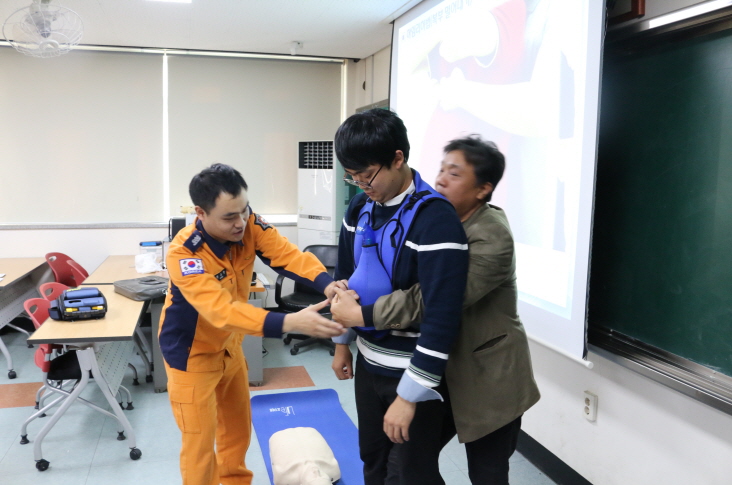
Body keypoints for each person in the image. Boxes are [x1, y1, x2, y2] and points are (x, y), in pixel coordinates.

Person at [331, 135, 541, 484]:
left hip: (483, 377)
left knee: (486, 472)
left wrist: (363, 316)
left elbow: (432, 299)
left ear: (483, 189)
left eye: (455, 174)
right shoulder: (424, 216)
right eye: (442, 169)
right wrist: (344, 337)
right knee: (404, 465)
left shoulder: (491, 236)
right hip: (436, 369)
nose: (441, 179)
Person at [159, 163, 346, 485]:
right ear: (201, 212)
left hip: (229, 347)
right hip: (191, 356)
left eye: (244, 210)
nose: (241, 223)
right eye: (229, 217)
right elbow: (221, 310)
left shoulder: (249, 224)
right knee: (199, 448)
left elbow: (287, 255)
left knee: (237, 433)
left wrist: (326, 284)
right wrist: (289, 321)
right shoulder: (185, 254)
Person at [330, 109, 469, 485]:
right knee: (373, 462)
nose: (361, 185)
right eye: (352, 176)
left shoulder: (435, 219)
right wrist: (342, 344)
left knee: (409, 475)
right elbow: (345, 279)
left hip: (412, 371)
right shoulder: (359, 208)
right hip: (368, 365)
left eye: (367, 175)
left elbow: (442, 314)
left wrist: (409, 395)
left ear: (397, 158)